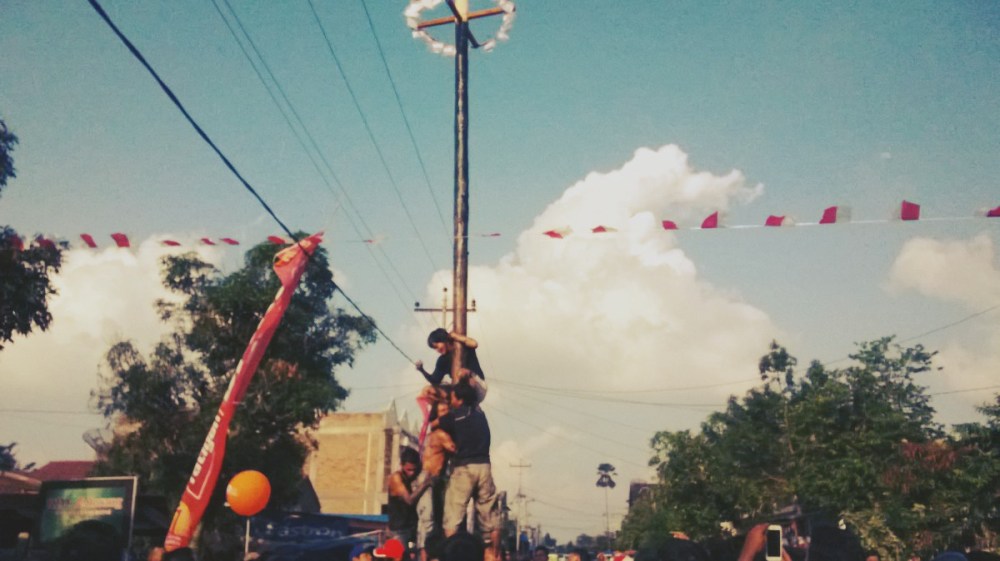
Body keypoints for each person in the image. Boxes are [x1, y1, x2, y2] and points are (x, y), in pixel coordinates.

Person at [435, 380, 498, 561]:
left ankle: (451, 555)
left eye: (452, 397)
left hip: (464, 468)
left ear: (459, 398)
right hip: (484, 466)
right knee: (489, 518)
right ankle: (493, 554)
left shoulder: (454, 416)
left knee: (453, 515)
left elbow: (437, 423)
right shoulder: (480, 412)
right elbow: (481, 391)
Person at [415, 329, 488, 444]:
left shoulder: (462, 346)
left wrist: (456, 336)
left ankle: (472, 406)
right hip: (459, 391)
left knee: (461, 374)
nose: (437, 349)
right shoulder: (442, 361)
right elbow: (435, 380)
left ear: (444, 339)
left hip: (478, 386)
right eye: (434, 348)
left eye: (437, 345)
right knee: (432, 390)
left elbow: (474, 343)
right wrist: (422, 370)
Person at [417, 398, 457, 561]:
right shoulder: (440, 434)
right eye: (441, 412)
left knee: (432, 521)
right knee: (428, 521)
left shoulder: (434, 432)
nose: (444, 416)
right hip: (428, 478)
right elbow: (456, 449)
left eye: (447, 412)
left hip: (435, 480)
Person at [388, 448, 432, 550]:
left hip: (411, 527)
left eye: (414, 470)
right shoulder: (396, 478)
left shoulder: (413, 475)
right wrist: (426, 483)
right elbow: (409, 500)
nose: (411, 473)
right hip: (398, 530)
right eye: (409, 470)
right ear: (402, 466)